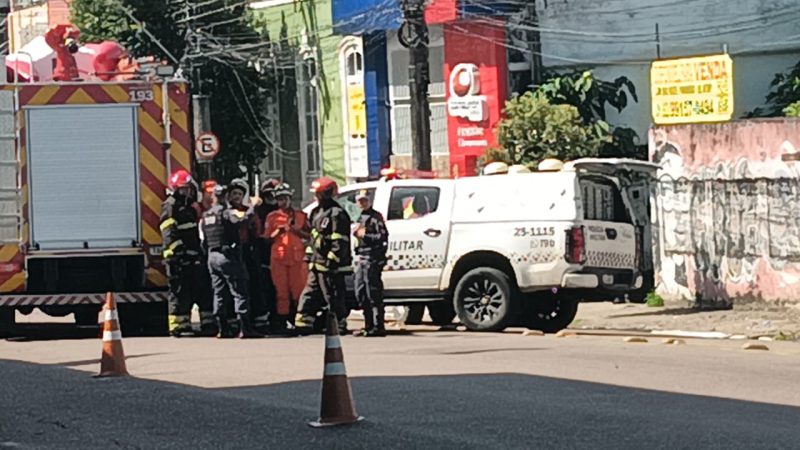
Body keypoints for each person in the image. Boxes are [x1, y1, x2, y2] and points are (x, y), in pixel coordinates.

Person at [200, 183, 264, 339]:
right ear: (226, 197)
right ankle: (245, 329)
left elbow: (203, 241)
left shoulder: (206, 216)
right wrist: (252, 206)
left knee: (219, 292)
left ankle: (222, 328)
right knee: (240, 292)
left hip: (212, 257)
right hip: (228, 256)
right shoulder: (226, 213)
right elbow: (242, 221)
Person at [160, 169, 216, 337]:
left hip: (194, 256)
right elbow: (168, 230)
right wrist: (179, 253)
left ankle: (208, 323)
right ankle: (179, 326)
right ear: (174, 189)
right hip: (178, 259)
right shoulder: (170, 205)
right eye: (183, 188)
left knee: (201, 290)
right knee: (180, 293)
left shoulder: (190, 206)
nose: (186, 191)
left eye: (188, 188)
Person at [296, 177, 352, 334]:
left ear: (326, 194)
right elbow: (312, 238)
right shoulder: (315, 212)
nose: (315, 197)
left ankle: (339, 324)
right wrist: (309, 256)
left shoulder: (337, 214)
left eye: (318, 194)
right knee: (309, 293)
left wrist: (332, 260)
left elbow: (339, 241)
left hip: (330, 265)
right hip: (316, 262)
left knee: (332, 295)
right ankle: (303, 324)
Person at [227, 178, 270, 334]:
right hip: (232, 253)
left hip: (248, 251)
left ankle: (259, 321)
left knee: (255, 285)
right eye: (234, 194)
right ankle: (236, 323)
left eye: (239, 193)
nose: (237, 196)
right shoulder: (226, 212)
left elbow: (257, 230)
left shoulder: (248, 210)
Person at [265, 183, 309, 335]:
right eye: (279, 199)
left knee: (298, 290)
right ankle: (282, 322)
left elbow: (309, 236)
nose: (282, 202)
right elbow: (266, 238)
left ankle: (298, 320)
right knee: (281, 292)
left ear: (290, 198)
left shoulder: (301, 216)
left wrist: (296, 231)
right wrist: (278, 231)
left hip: (297, 259)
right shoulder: (272, 217)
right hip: (279, 260)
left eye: (284, 198)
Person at [352, 189, 389, 337]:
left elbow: (382, 237)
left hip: (372, 259)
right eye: (359, 201)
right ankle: (368, 325)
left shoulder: (376, 217)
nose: (362, 203)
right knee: (360, 292)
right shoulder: (360, 217)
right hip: (361, 258)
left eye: (364, 200)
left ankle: (377, 326)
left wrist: (364, 235)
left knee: (372, 292)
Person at [252, 179, 281, 332]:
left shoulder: (281, 210)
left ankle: (279, 318)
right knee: (265, 287)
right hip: (263, 254)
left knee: (279, 288)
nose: (272, 197)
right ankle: (265, 319)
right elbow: (257, 233)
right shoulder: (258, 211)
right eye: (269, 194)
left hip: (281, 257)